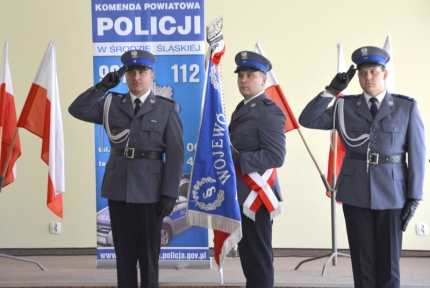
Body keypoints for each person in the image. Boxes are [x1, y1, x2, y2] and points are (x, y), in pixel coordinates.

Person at [299, 46, 425, 288]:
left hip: (393, 193)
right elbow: (308, 119)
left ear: (384, 74)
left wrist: (415, 196)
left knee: (389, 264)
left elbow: (417, 155)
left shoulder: (405, 107)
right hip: (355, 192)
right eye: (363, 73)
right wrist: (331, 90)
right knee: (362, 262)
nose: (368, 77)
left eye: (373, 72)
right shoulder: (344, 106)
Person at [69, 50, 184, 288]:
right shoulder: (112, 104)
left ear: (152, 75)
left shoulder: (166, 108)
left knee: (149, 257)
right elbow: (76, 109)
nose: (136, 77)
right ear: (125, 77)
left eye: (142, 71)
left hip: (151, 192)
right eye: (131, 72)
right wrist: (101, 88)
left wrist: (170, 193)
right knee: (124, 256)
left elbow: (176, 154)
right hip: (119, 187)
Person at [229, 51, 286, 288]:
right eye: (241, 75)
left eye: (250, 75)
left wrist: (236, 160)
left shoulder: (268, 110)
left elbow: (275, 156)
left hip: (257, 195)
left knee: (259, 260)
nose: (243, 79)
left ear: (263, 80)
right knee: (250, 260)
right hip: (242, 194)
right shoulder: (242, 107)